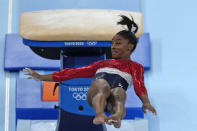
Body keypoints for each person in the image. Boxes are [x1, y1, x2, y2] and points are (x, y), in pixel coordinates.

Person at [24, 15, 157, 128]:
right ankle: (99, 115)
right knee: (102, 85)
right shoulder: (101, 64)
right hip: (95, 97)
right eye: (113, 43)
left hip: (113, 98)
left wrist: (146, 102)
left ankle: (116, 116)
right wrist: (40, 77)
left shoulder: (135, 66)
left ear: (130, 47)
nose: (113, 47)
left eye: (118, 43)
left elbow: (139, 85)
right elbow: (71, 73)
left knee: (118, 92)